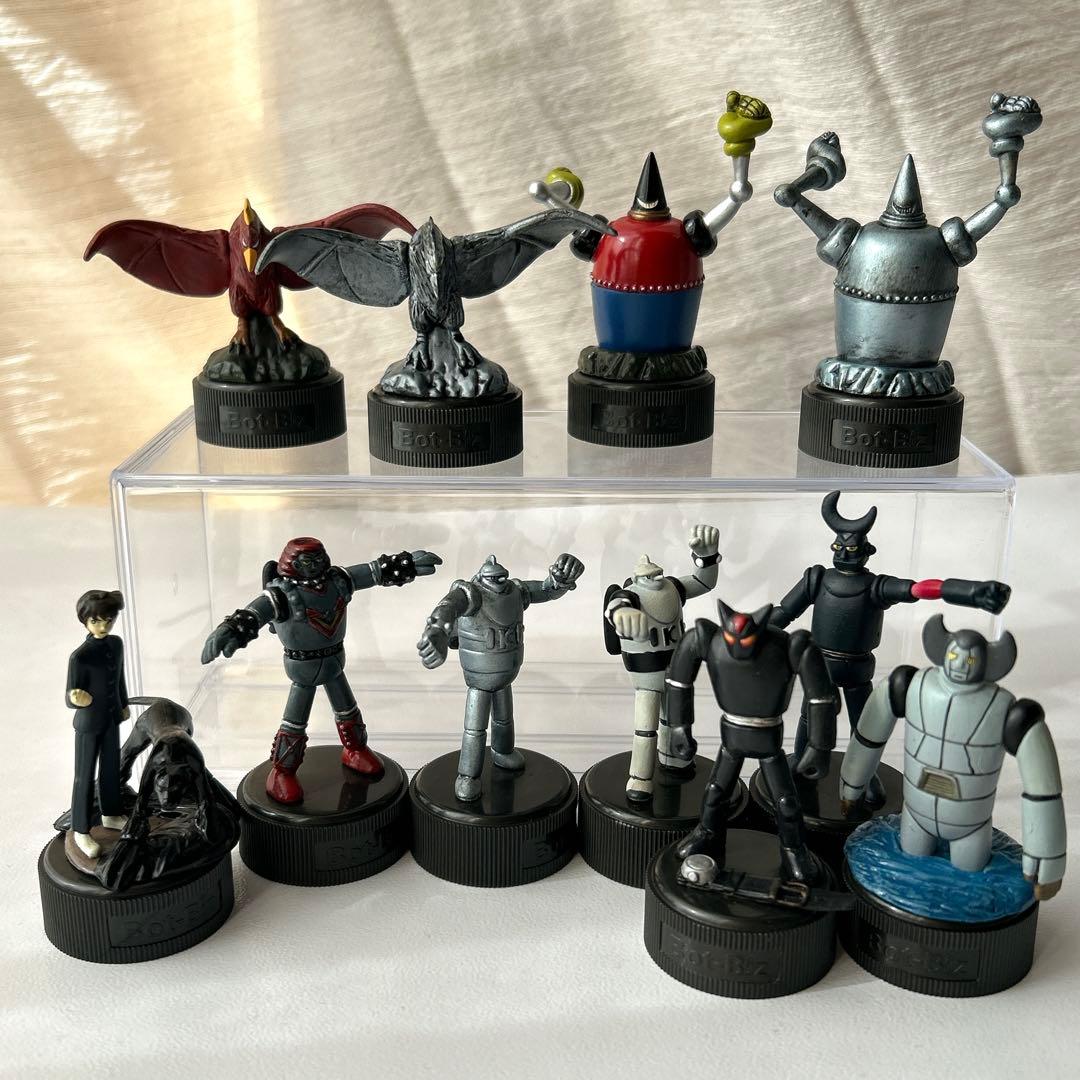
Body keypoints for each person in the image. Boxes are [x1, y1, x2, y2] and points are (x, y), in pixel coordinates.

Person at [66, 589, 129, 859]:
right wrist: (75, 697)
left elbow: (119, 678)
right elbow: (70, 694)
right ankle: (80, 830)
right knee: (84, 775)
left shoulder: (116, 644)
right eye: (95, 621)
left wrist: (123, 703)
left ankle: (111, 814)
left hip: (112, 717)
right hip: (88, 723)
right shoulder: (79, 657)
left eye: (108, 620)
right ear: (85, 621)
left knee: (111, 768)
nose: (102, 627)